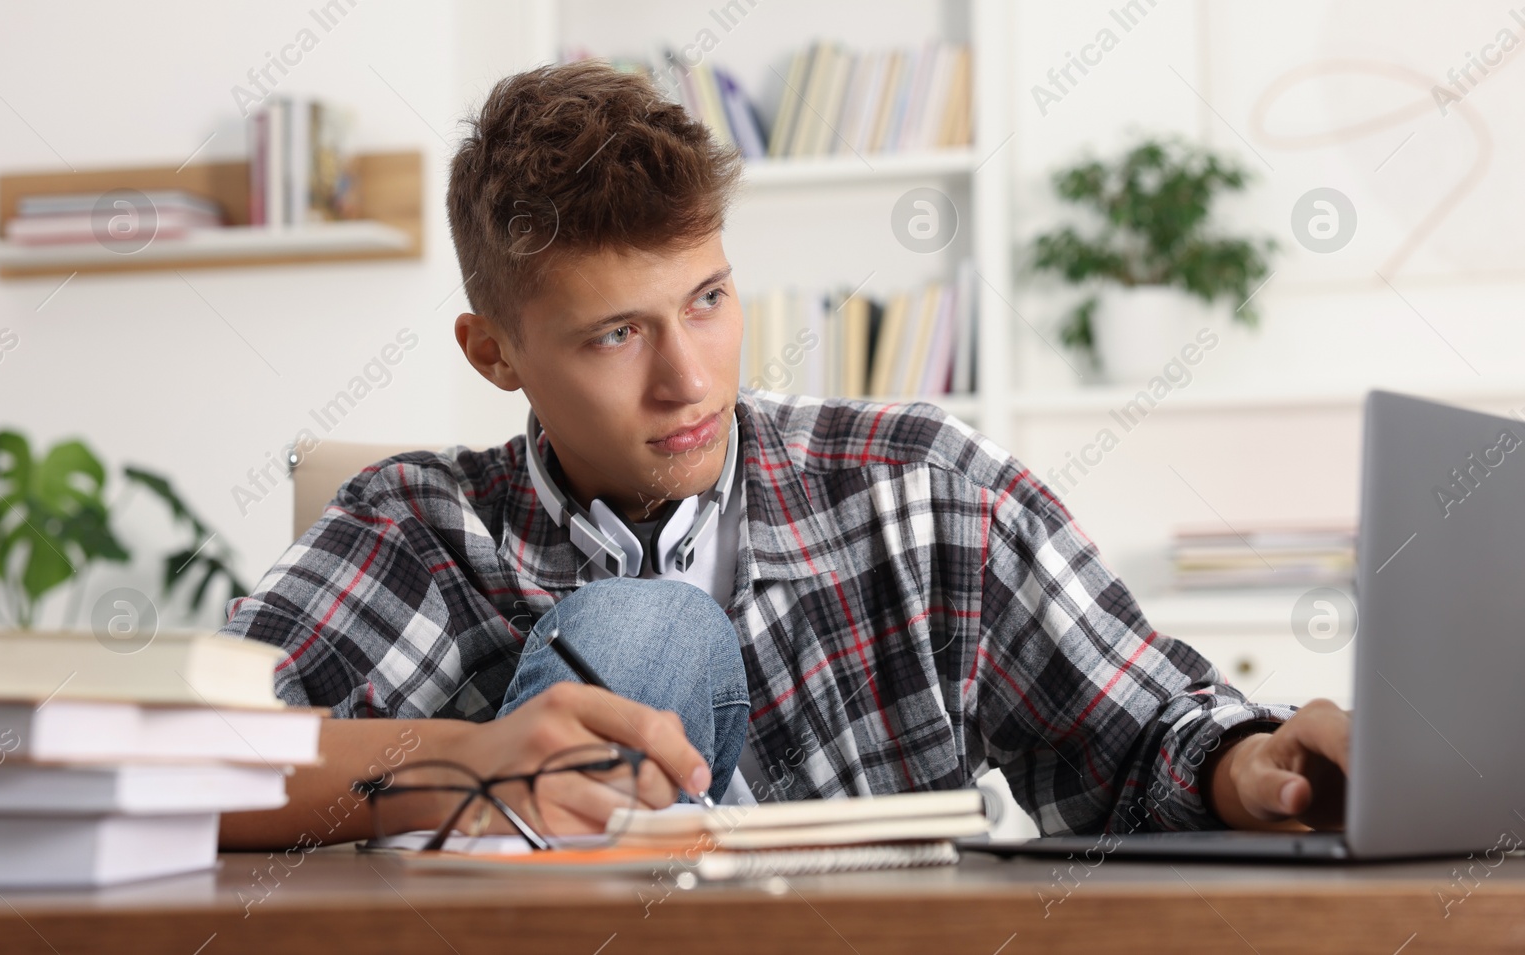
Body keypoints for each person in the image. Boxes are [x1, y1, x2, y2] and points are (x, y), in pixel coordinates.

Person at [216, 61, 1350, 851]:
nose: (688, 378)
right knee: (642, 629)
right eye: (617, 333)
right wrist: (471, 759)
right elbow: (175, 761)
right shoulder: (423, 525)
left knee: (645, 629)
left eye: (707, 300)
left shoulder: (924, 492)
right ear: (494, 352)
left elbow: (1155, 730)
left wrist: (1245, 768)